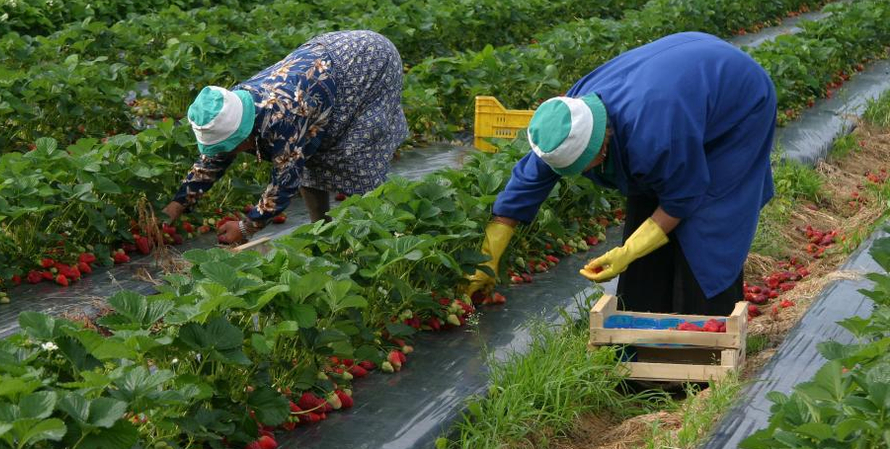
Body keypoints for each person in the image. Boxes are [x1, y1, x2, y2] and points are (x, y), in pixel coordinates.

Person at [465, 32, 777, 316]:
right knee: (648, 198)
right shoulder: (565, 120)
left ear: (602, 147)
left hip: (740, 99)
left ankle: (709, 331)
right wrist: (488, 259)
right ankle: (644, 325)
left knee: (710, 220)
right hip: (683, 76)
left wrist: (628, 252)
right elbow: (525, 184)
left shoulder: (654, 135)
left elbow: (682, 199)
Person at [162, 30, 409, 243]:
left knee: (355, 155)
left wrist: (246, 227)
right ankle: (322, 232)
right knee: (310, 154)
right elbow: (213, 160)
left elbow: (285, 182)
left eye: (228, 146)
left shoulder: (282, 117)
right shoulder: (233, 105)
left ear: (243, 134)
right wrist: (174, 208)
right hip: (326, 60)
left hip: (369, 63)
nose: (225, 152)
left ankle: (376, 234)